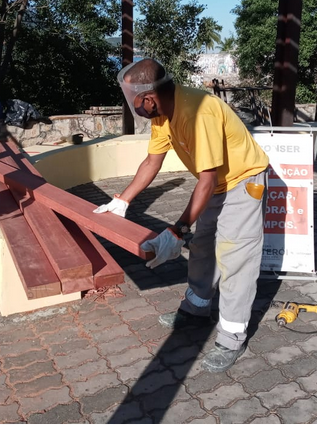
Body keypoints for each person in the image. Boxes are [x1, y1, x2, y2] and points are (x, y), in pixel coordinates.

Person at [94, 59, 269, 372]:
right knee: (203, 247)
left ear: (149, 98)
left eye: (133, 101)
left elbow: (207, 179)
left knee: (234, 257)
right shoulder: (163, 113)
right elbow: (152, 161)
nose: (133, 107)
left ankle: (231, 337)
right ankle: (196, 309)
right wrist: (122, 201)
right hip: (217, 185)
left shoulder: (198, 113)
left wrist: (177, 229)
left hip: (243, 183)